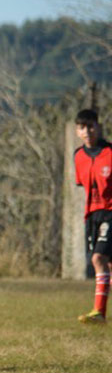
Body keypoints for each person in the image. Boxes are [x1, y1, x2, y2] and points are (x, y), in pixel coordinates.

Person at [73, 108, 111, 325]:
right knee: (107, 264)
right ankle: (100, 313)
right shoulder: (78, 156)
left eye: (90, 126)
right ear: (78, 131)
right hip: (91, 215)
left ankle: (99, 312)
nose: (87, 131)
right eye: (82, 127)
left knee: (98, 259)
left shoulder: (110, 153)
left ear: (98, 126)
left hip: (110, 212)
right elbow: (82, 184)